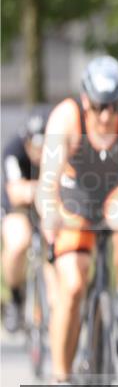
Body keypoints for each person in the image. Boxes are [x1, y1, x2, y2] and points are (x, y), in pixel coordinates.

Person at [35, 56, 118, 381]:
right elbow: (48, 180)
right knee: (72, 285)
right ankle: (61, 380)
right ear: (85, 100)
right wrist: (50, 215)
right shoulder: (65, 118)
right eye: (99, 107)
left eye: (114, 106)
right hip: (75, 195)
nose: (107, 116)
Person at [1, 106, 51, 332]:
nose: (38, 151)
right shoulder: (14, 151)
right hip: (17, 209)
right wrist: (41, 189)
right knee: (18, 242)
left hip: (48, 207)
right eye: (34, 144)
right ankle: (15, 297)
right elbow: (16, 192)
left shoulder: (61, 152)